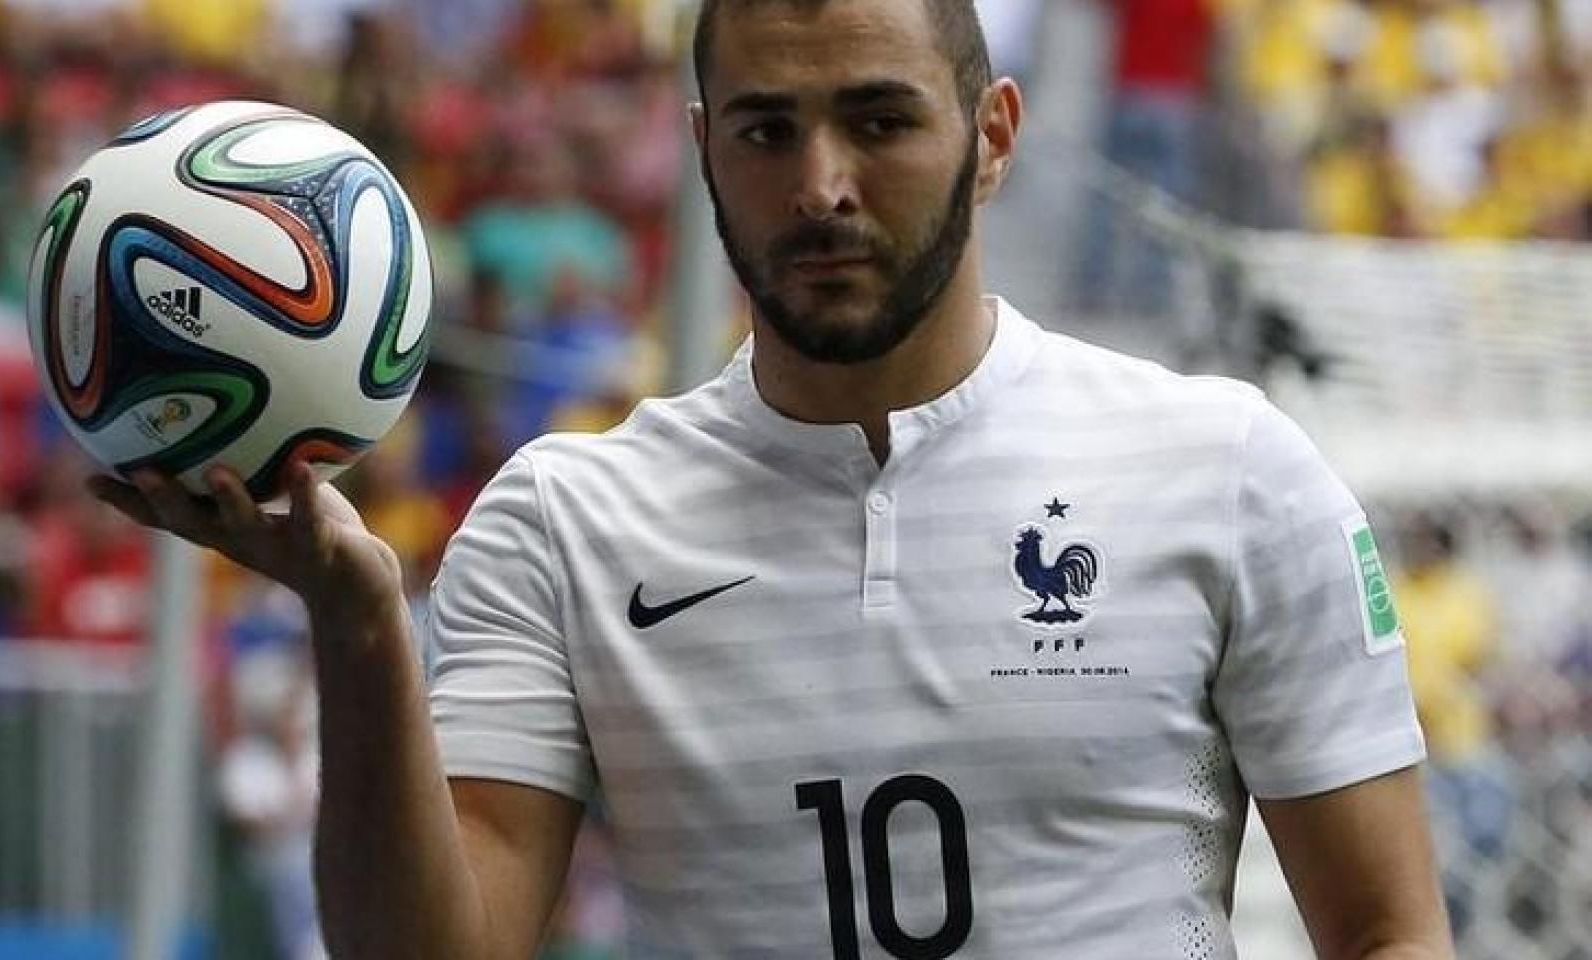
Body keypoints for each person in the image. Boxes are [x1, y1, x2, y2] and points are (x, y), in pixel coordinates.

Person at [90, 0, 1455, 956]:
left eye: (877, 121)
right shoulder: (564, 522)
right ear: (699, 149)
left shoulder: (1224, 471)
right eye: (764, 131)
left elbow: (1389, 934)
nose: (819, 185)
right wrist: (358, 620)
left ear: (992, 133)